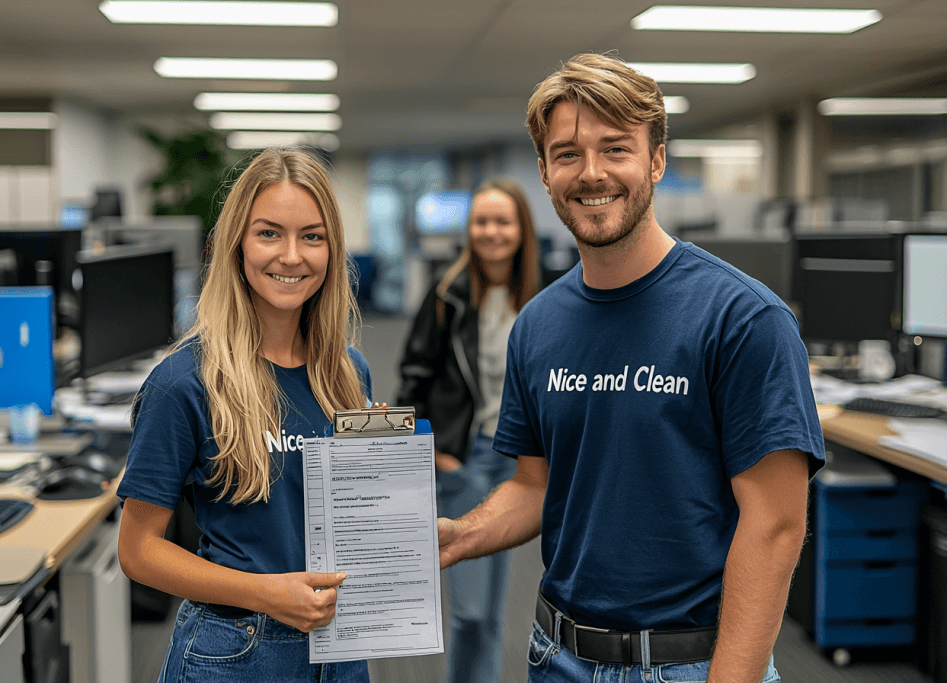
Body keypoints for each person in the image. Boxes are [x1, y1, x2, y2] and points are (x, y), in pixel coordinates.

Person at [437, 53, 826, 683]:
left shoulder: (743, 318)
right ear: (544, 171)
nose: (591, 174)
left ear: (656, 159)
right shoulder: (536, 326)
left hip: (690, 664)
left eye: (615, 148)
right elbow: (536, 486)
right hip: (556, 657)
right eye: (567, 154)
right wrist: (456, 537)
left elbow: (776, 526)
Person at [117, 148, 378, 683]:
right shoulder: (183, 384)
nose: (291, 255)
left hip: (341, 647)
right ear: (236, 244)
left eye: (312, 236)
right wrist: (267, 593)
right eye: (268, 233)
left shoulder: (350, 374)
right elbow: (138, 550)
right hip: (236, 650)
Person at [397, 178, 541, 683]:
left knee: (498, 609)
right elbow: (413, 381)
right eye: (482, 221)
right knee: (473, 611)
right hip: (470, 459)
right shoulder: (446, 297)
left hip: (531, 461)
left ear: (523, 229)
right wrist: (439, 456)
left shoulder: (549, 297)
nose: (491, 232)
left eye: (503, 221)